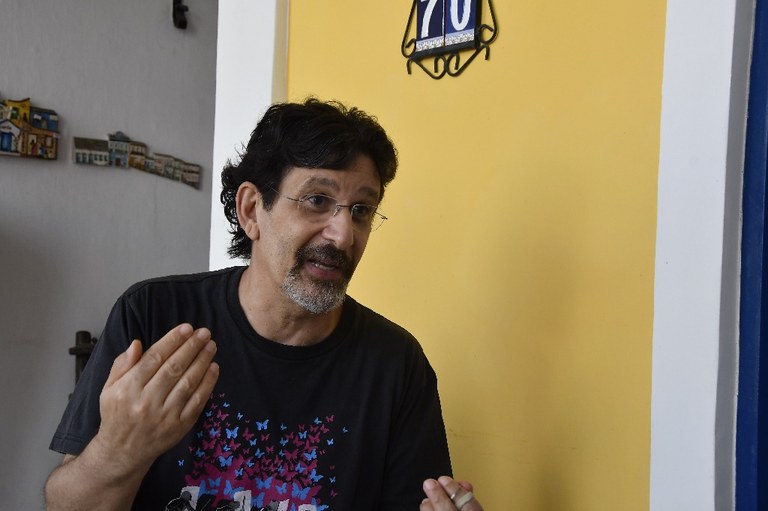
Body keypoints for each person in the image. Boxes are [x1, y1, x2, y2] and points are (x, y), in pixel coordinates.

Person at [45, 98, 484, 511]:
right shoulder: (154, 317)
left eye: (362, 210)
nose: (343, 235)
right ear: (252, 209)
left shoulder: (396, 365)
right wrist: (119, 453)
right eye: (317, 201)